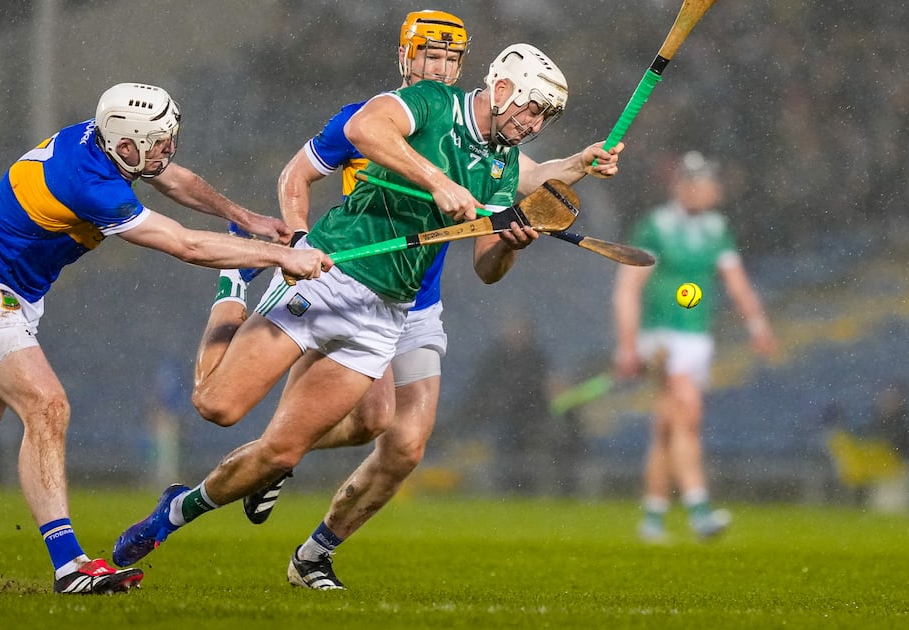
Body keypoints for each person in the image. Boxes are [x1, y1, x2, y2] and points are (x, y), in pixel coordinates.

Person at [113, 41, 596, 589]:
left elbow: (488, 268)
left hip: (384, 313)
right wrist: (440, 183)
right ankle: (231, 284)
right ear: (503, 89)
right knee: (217, 407)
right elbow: (367, 130)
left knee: (283, 450)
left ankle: (176, 512)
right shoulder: (432, 102)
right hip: (329, 276)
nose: (533, 125)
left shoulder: (503, 167)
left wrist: (511, 243)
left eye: (544, 118)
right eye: (531, 109)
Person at [0, 82, 331, 595]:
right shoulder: (90, 183)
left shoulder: (105, 143)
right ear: (124, 144)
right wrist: (282, 257)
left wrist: (246, 218)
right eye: (158, 143)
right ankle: (71, 566)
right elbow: (185, 246)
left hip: (11, 290)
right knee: (47, 407)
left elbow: (174, 179)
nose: (167, 151)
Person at [239, 9, 622, 546]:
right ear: (405, 57)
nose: (441, 69)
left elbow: (524, 174)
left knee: (399, 438)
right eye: (430, 55)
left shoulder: (468, 131)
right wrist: (300, 245)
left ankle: (292, 489)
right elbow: (296, 175)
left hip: (417, 301)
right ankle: (273, 454)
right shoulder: (366, 119)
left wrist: (580, 161)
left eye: (451, 58)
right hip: (355, 277)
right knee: (363, 418)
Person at [612, 150, 777, 544]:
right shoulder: (654, 227)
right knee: (687, 409)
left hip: (698, 338)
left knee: (669, 427)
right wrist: (627, 345)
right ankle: (700, 511)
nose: (714, 190)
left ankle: (652, 518)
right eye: (706, 183)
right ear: (685, 186)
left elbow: (735, 281)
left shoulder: (717, 228)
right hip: (662, 337)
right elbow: (628, 288)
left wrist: (758, 323)